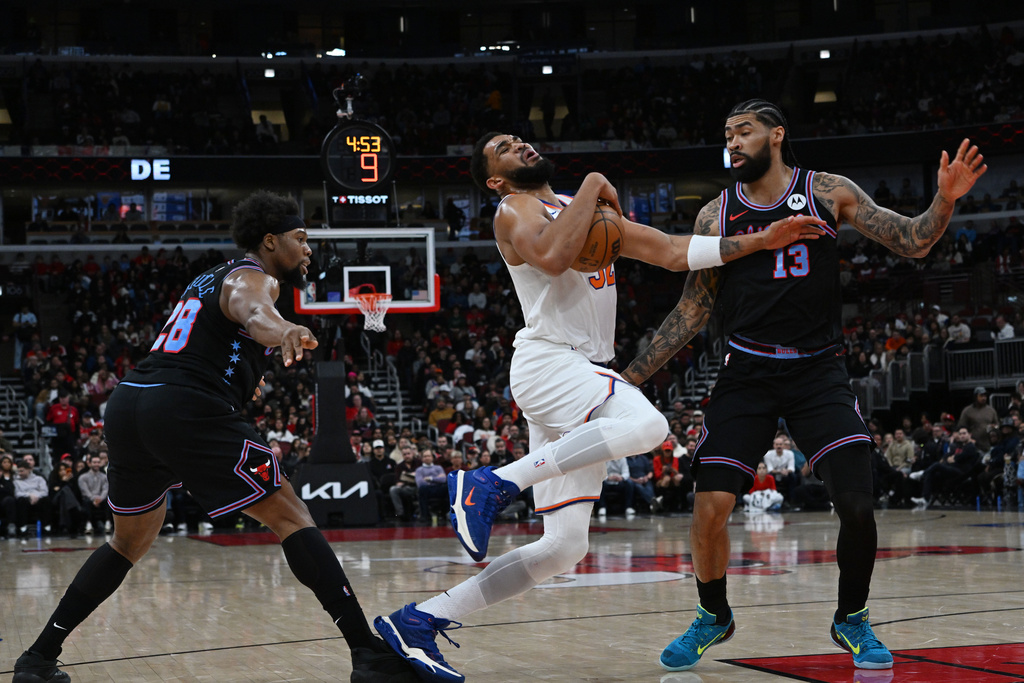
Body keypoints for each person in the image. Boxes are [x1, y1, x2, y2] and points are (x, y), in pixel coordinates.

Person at [372, 130, 822, 683]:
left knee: (563, 547)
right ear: (494, 178)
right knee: (648, 423)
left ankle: (418, 620)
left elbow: (672, 252)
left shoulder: (580, 207)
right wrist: (592, 182)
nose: (520, 145)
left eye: (519, 138)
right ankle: (488, 484)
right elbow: (555, 258)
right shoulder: (512, 210)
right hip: (549, 362)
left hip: (579, 370)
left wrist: (762, 239)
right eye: (503, 149)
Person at [620, 99, 986, 672]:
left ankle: (852, 619)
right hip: (747, 372)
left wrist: (945, 199)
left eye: (744, 131)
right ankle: (713, 615)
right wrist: (627, 378)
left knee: (858, 505)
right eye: (727, 133)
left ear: (777, 135)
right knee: (710, 505)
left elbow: (913, 241)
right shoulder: (715, 216)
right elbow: (692, 312)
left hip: (819, 370)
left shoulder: (826, 191)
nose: (733, 141)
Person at [12, 191, 415, 683]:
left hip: (131, 402)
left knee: (127, 541)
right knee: (291, 515)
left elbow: (215, 338)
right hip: (185, 408)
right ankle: (367, 654)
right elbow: (252, 312)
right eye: (300, 238)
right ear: (270, 241)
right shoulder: (253, 278)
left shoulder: (206, 278)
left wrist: (251, 371)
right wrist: (283, 327)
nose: (308, 249)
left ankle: (37, 658)